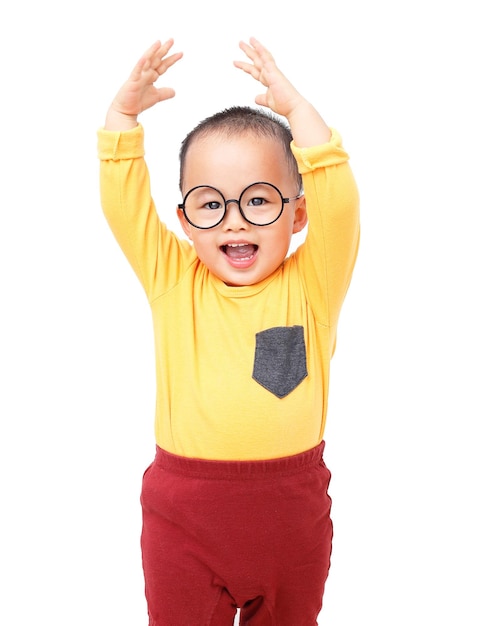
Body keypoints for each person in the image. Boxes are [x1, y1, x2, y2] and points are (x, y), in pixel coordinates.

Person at [98, 36, 360, 626]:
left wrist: (299, 112)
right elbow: (124, 205)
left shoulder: (313, 285)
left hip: (291, 519)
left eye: (258, 201)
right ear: (185, 218)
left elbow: (339, 201)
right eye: (211, 204)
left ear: (296, 213)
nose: (235, 220)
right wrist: (122, 119)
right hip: (182, 520)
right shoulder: (174, 278)